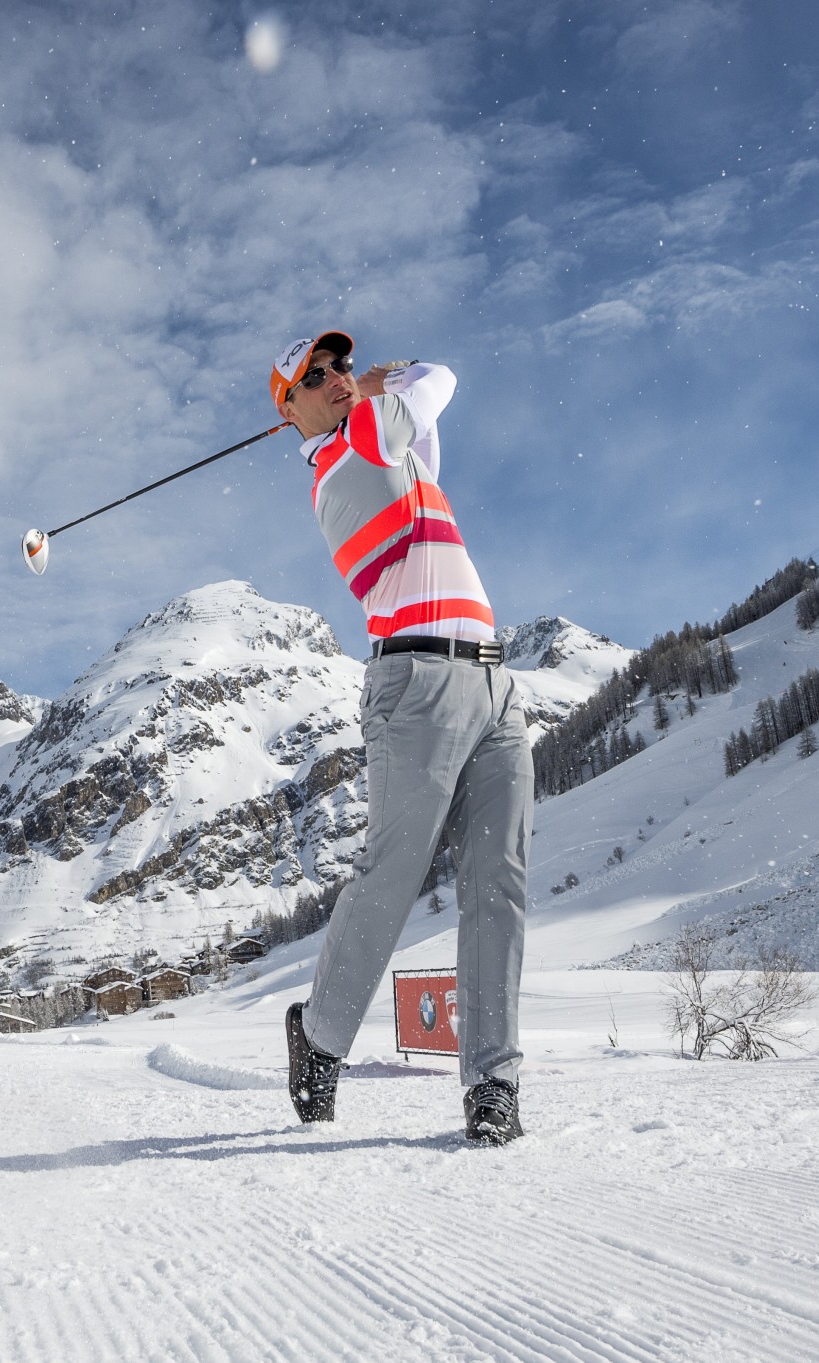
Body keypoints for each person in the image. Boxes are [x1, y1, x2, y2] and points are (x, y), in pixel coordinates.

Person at [270, 330, 533, 1146]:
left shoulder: (388, 449)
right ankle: (318, 1035)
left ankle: (492, 1083)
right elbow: (441, 379)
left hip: (495, 681)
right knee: (394, 874)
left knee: (500, 885)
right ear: (292, 411)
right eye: (315, 376)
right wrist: (387, 380)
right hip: (414, 687)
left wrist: (381, 389)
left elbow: (426, 430)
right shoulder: (350, 448)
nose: (338, 378)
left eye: (343, 364)